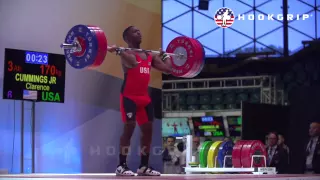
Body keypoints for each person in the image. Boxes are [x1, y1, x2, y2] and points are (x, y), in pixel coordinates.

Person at [108, 26, 172, 176]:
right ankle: (121, 165)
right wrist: (119, 51)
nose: (139, 32)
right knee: (129, 129)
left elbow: (168, 69)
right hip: (129, 97)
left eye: (139, 30)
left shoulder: (149, 55)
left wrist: (165, 56)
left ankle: (143, 166)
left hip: (144, 99)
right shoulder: (127, 53)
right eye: (135, 31)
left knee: (148, 132)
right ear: (127, 38)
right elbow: (133, 63)